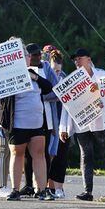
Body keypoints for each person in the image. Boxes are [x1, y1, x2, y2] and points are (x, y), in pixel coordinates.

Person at [59, 48, 105, 201]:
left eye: (79, 59)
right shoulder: (72, 79)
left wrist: (101, 93)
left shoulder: (101, 74)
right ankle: (88, 191)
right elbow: (66, 105)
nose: (76, 62)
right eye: (75, 60)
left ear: (88, 59)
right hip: (82, 123)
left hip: (100, 122)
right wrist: (63, 127)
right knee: (86, 156)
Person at [0, 43, 54, 201]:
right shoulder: (9, 75)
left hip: (37, 122)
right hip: (18, 122)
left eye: (28, 55)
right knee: (17, 154)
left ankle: (41, 189)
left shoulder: (34, 72)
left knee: (39, 154)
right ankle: (14, 189)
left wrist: (35, 77)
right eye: (26, 56)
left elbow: (48, 87)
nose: (29, 58)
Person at [19, 43, 58, 197]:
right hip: (26, 115)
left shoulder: (46, 68)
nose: (36, 57)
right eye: (33, 55)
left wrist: (37, 95)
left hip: (46, 116)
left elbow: (56, 90)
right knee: (26, 154)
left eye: (38, 54)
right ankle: (28, 184)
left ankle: (44, 185)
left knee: (44, 152)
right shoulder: (22, 69)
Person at [45, 50, 69, 198]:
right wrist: (56, 95)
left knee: (59, 155)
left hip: (63, 120)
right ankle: (44, 186)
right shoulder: (45, 78)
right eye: (54, 70)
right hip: (50, 120)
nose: (56, 74)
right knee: (47, 154)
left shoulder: (66, 78)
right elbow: (45, 95)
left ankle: (56, 188)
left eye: (58, 71)